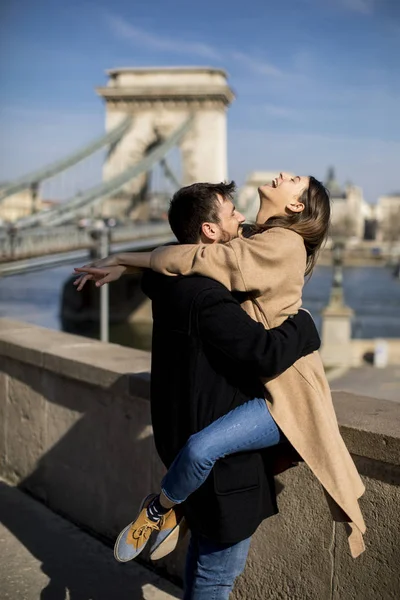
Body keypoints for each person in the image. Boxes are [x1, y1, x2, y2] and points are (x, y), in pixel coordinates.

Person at [75, 173, 366, 560]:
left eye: (293, 180)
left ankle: (161, 508)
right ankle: (176, 507)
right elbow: (198, 253)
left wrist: (127, 258)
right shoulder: (257, 235)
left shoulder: (284, 243)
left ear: (296, 206)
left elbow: (205, 257)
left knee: (201, 449)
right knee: (208, 464)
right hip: (266, 380)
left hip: (287, 388)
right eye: (232, 211)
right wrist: (128, 268)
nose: (281, 175)